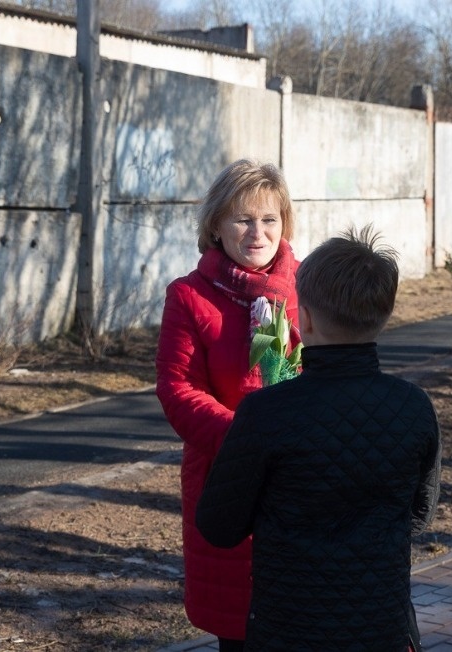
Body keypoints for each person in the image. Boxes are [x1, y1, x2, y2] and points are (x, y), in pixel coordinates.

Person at [196, 226, 442, 652]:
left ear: (304, 319)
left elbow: (218, 525)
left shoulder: (266, 412)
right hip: (381, 624)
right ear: (383, 316)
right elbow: (419, 514)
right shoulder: (414, 406)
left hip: (288, 627)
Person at [155, 159, 300, 651]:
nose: (258, 233)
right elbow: (178, 388)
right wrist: (248, 441)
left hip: (303, 479)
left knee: (308, 619)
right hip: (228, 477)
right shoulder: (188, 296)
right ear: (216, 225)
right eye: (243, 219)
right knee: (240, 628)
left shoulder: (309, 286)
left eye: (270, 219)